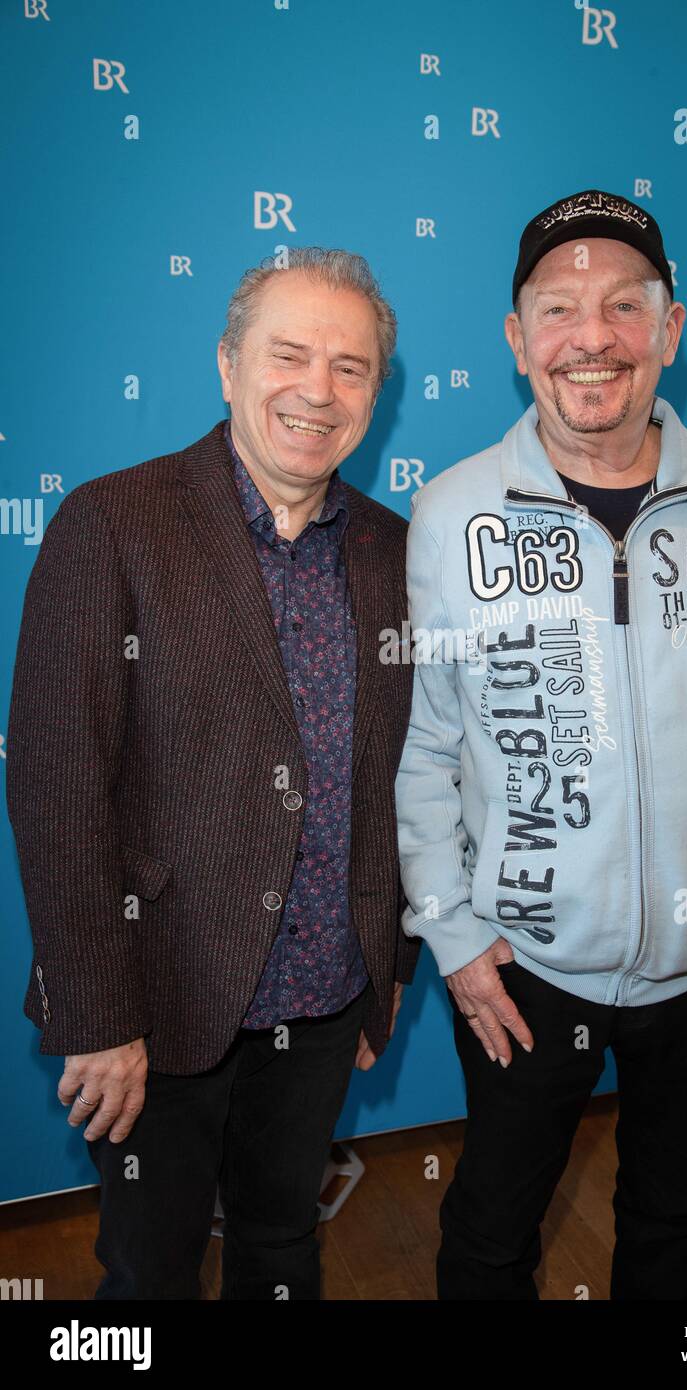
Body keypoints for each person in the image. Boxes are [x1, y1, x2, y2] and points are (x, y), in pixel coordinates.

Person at [395, 189, 687, 1300]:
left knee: (676, 1209)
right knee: (490, 1229)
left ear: (670, 330)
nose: (590, 338)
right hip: (526, 965)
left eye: (621, 308)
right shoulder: (450, 514)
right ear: (514, 340)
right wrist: (448, 933)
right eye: (557, 310)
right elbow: (425, 744)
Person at [6, 247, 419, 1300]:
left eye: (351, 366)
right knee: (148, 1271)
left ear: (376, 391)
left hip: (323, 995)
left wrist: (387, 968)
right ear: (227, 364)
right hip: (159, 997)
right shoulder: (113, 523)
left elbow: (411, 781)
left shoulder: (392, 551)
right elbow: (56, 785)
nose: (316, 391)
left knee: (282, 1241)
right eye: (288, 355)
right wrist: (98, 1017)